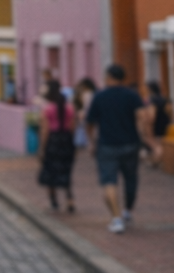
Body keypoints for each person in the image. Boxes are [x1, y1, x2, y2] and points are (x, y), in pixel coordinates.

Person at [84, 64, 152, 233]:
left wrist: (91, 141)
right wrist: (147, 140)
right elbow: (143, 118)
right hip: (130, 144)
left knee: (109, 181)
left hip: (107, 145)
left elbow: (89, 122)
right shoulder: (132, 95)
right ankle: (127, 211)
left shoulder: (100, 96)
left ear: (108, 77)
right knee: (131, 178)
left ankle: (116, 219)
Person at [37, 81, 77, 213]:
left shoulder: (47, 109)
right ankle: (70, 199)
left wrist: (42, 148)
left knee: (50, 171)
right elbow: (72, 128)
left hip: (53, 141)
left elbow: (44, 131)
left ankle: (54, 200)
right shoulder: (69, 108)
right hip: (66, 140)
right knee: (66, 170)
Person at [147, 81, 171, 166]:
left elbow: (152, 115)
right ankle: (163, 160)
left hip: (157, 123)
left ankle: (157, 161)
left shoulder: (152, 100)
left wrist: (149, 125)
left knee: (157, 143)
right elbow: (169, 111)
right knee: (162, 141)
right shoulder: (164, 98)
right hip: (165, 122)